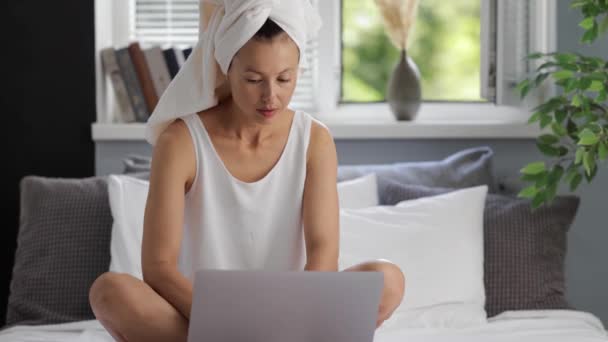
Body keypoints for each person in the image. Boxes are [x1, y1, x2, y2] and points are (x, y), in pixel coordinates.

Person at [89, 1, 405, 341]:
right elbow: (159, 267)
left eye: (285, 78)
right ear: (226, 69)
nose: (271, 96)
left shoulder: (314, 140)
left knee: (388, 278)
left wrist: (289, 320)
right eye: (254, 79)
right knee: (109, 291)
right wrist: (227, 324)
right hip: (203, 315)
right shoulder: (181, 141)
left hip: (293, 314)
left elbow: (322, 253)